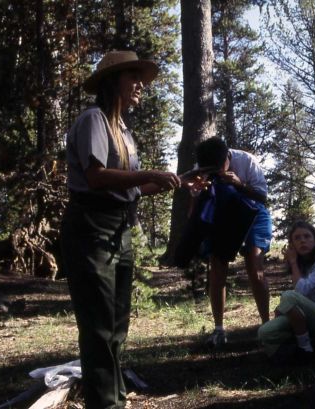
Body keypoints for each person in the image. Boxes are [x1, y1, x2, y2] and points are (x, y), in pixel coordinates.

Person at [60, 51, 187, 409]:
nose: (140, 86)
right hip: (90, 229)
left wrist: (171, 183)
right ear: (111, 82)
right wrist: (149, 175)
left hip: (120, 228)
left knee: (117, 323)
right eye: (133, 78)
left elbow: (127, 188)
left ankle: (114, 397)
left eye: (141, 80)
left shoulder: (124, 132)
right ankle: (106, 404)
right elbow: (96, 177)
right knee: (99, 324)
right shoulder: (93, 121)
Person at [194, 137, 273, 348]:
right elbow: (195, 202)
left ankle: (267, 327)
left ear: (227, 156)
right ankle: (219, 330)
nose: (217, 172)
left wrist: (239, 183)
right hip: (223, 214)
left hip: (253, 211)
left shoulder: (246, 161)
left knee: (255, 266)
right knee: (218, 266)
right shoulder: (200, 167)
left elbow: (262, 197)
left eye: (220, 168)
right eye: (212, 169)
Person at [257, 221, 315, 362]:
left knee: (288, 296)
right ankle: (300, 346)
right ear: (292, 244)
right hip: (307, 316)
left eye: (307, 236)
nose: (302, 241)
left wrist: (293, 262)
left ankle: (305, 348)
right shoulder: (302, 264)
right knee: (264, 332)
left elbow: (301, 291)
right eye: (297, 238)